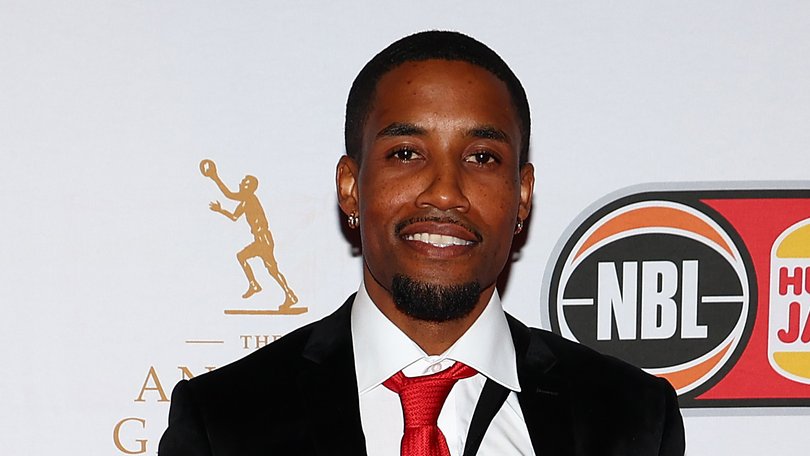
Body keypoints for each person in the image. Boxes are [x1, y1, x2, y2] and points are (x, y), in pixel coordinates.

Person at [159, 31, 685, 456]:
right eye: (406, 153)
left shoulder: (630, 419)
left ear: (522, 195)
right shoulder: (226, 422)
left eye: (482, 157)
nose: (445, 191)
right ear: (350, 186)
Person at [200, 159, 299, 306]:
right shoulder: (246, 202)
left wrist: (215, 176)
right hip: (261, 240)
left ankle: (284, 293)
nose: (240, 183)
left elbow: (228, 194)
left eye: (243, 182)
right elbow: (234, 217)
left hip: (263, 240)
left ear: (248, 187)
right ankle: (266, 288)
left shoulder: (249, 198)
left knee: (271, 269)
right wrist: (220, 210)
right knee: (250, 261)